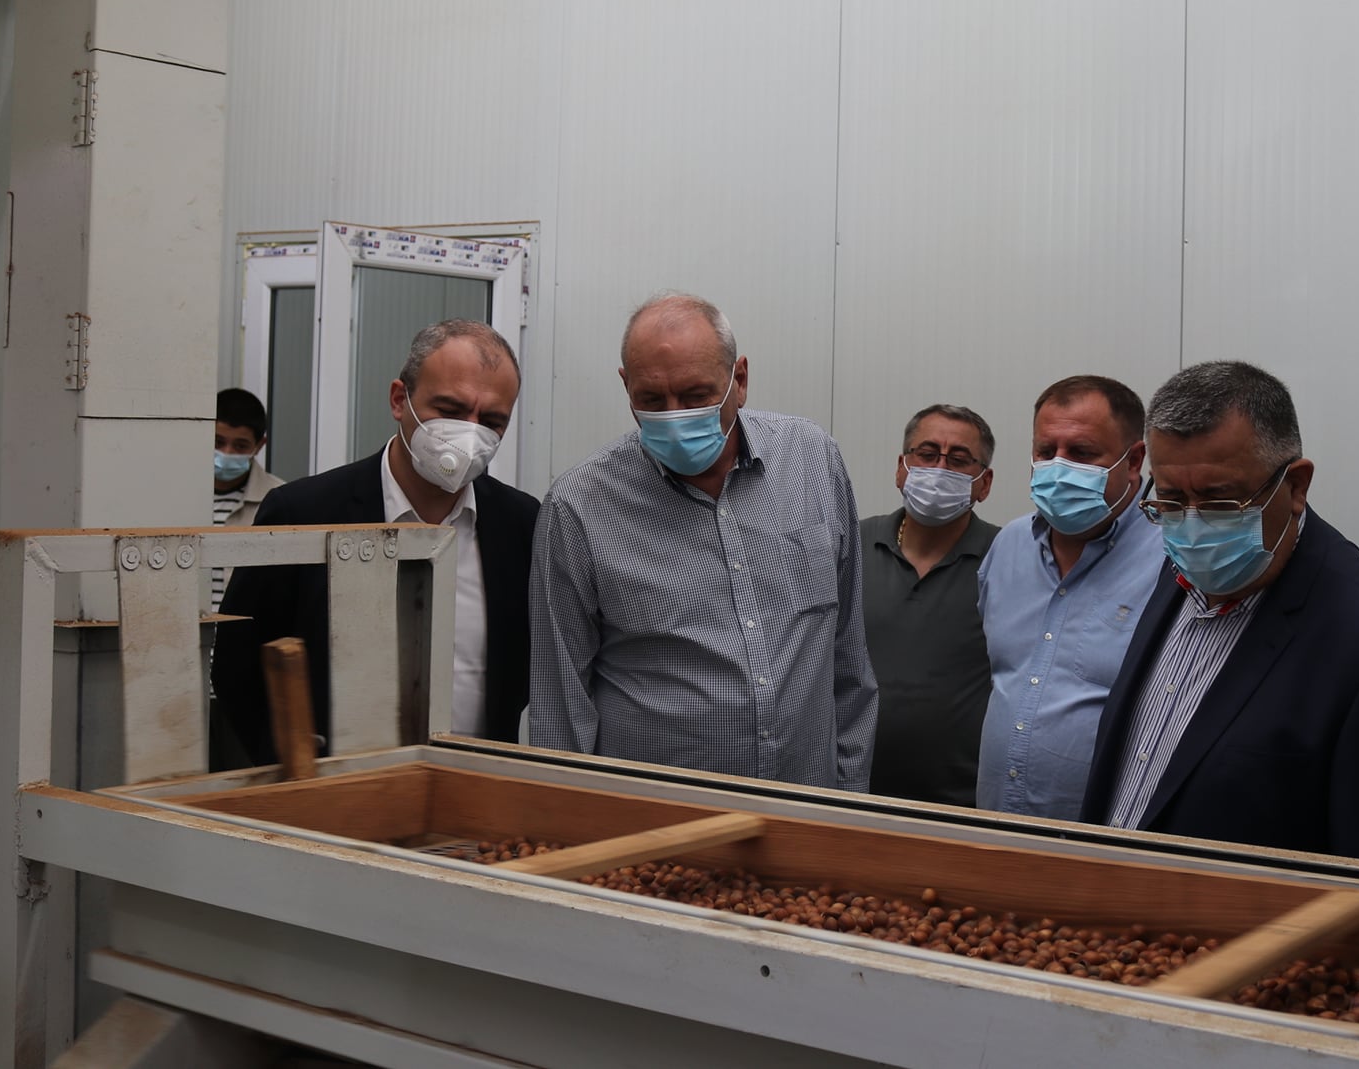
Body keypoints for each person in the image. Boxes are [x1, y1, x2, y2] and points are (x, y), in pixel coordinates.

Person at [1082, 361, 1359, 868]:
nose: (1192, 527)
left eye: (1219, 502)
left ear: (1296, 486)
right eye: (1170, 500)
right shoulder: (1182, 567)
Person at [529, 293, 877, 790]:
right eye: (652, 400)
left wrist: (848, 801)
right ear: (626, 385)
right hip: (659, 821)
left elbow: (848, 656)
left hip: (804, 808)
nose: (675, 418)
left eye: (696, 396)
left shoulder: (812, 461)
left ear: (740, 379)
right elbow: (559, 704)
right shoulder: (578, 507)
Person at [212, 320, 538, 766]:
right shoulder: (303, 512)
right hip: (334, 789)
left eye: (492, 421)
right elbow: (237, 667)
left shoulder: (522, 524)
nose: (470, 432)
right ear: (400, 400)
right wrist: (294, 773)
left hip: (476, 784)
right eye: (450, 409)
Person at [976, 375, 1165, 820]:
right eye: (1046, 451)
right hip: (997, 824)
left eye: (1081, 453)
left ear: (1134, 460)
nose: (1058, 467)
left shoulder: (1171, 559)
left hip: (1106, 837)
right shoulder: (1009, 546)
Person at [861, 404, 999, 807]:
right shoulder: (853, 543)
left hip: (962, 803)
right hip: (849, 788)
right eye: (927, 454)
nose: (940, 468)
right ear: (901, 468)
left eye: (959, 459)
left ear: (984, 483)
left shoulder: (1008, 557)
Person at [211, 387, 284, 613]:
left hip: (242, 631)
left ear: (259, 445)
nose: (227, 452)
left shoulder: (279, 499)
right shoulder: (177, 494)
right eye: (218, 442)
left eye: (240, 445)